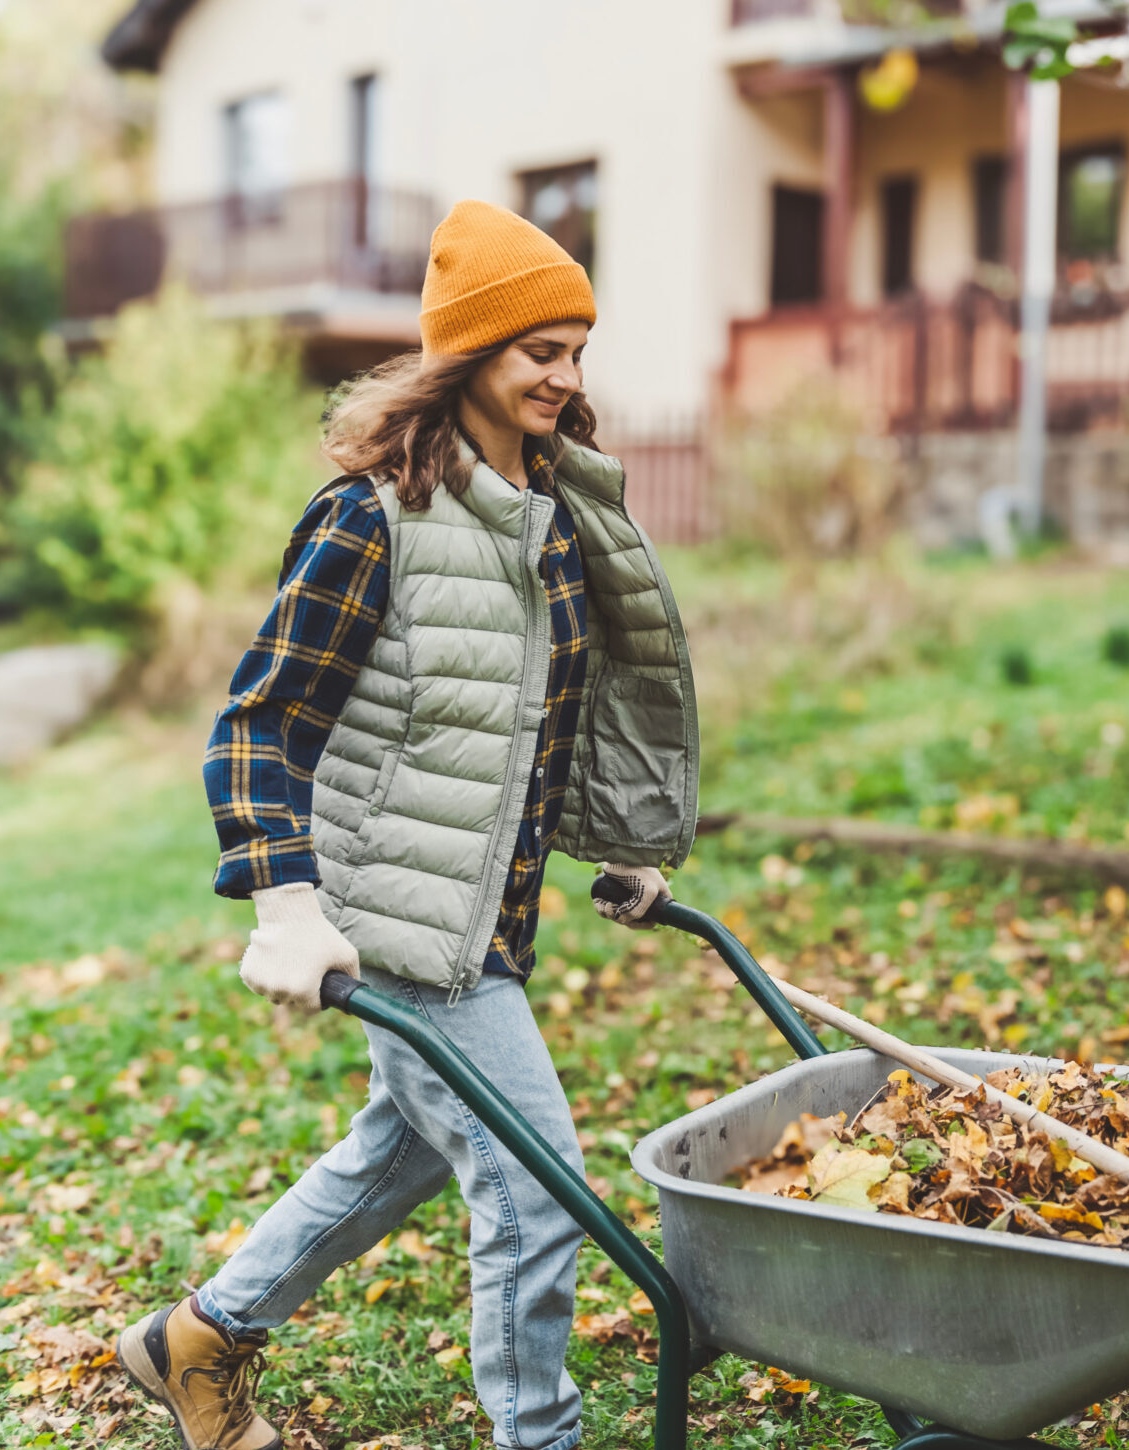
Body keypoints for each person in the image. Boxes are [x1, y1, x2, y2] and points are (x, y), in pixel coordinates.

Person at [115, 200, 699, 1450]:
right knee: (539, 1192)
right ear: (470, 353)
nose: (565, 374)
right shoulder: (372, 519)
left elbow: (542, 716)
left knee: (412, 1147)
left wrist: (625, 842)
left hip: (483, 907)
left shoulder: (544, 516)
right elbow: (257, 726)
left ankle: (198, 1339)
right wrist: (288, 903)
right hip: (396, 911)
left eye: (577, 348)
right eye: (539, 347)